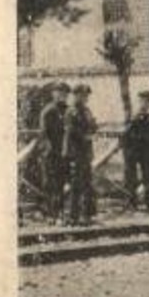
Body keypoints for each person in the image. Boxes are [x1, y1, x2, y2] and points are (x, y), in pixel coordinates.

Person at [63, 83, 99, 226]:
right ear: (76, 96)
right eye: (82, 95)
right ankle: (73, 216)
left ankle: (87, 214)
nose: (85, 98)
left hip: (85, 153)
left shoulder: (87, 111)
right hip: (75, 152)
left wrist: (93, 128)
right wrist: (86, 136)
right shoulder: (71, 111)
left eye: (86, 96)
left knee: (87, 183)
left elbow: (93, 125)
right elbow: (71, 131)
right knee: (76, 185)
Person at [36, 82, 71, 222]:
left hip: (64, 152)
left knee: (61, 183)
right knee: (50, 183)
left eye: (65, 93)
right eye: (59, 92)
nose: (62, 96)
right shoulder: (48, 111)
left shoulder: (68, 110)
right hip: (51, 153)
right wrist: (49, 150)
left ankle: (60, 212)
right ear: (53, 94)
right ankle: (50, 213)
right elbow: (44, 133)